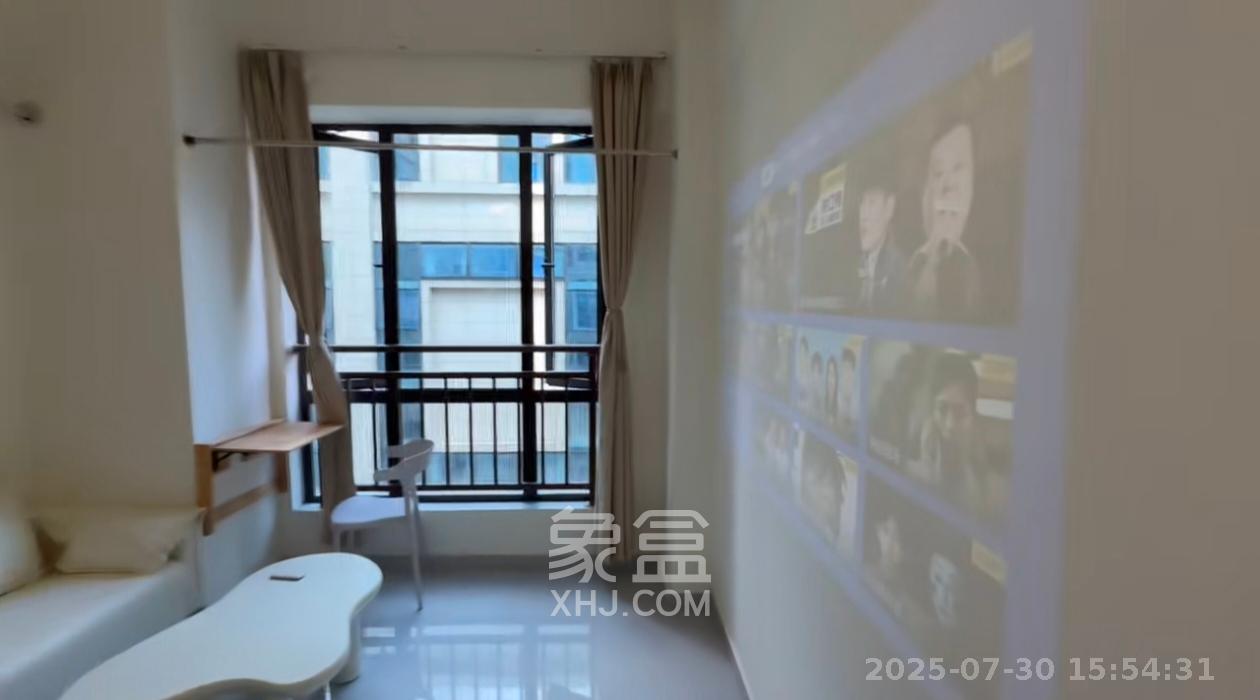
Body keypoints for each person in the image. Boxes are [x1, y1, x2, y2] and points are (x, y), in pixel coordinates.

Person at [906, 122, 982, 321]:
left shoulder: (987, 263)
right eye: (938, 173)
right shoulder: (915, 263)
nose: (948, 185)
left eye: (958, 168)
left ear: (974, 179)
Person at [908, 353, 993, 517]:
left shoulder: (984, 448)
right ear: (932, 409)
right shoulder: (924, 437)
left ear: (973, 413)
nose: (950, 424)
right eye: (942, 409)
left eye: (960, 411)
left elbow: (982, 507)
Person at [857, 185, 905, 313]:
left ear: (889, 208)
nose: (863, 216)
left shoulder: (898, 267)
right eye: (861, 202)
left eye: (871, 202)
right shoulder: (855, 263)